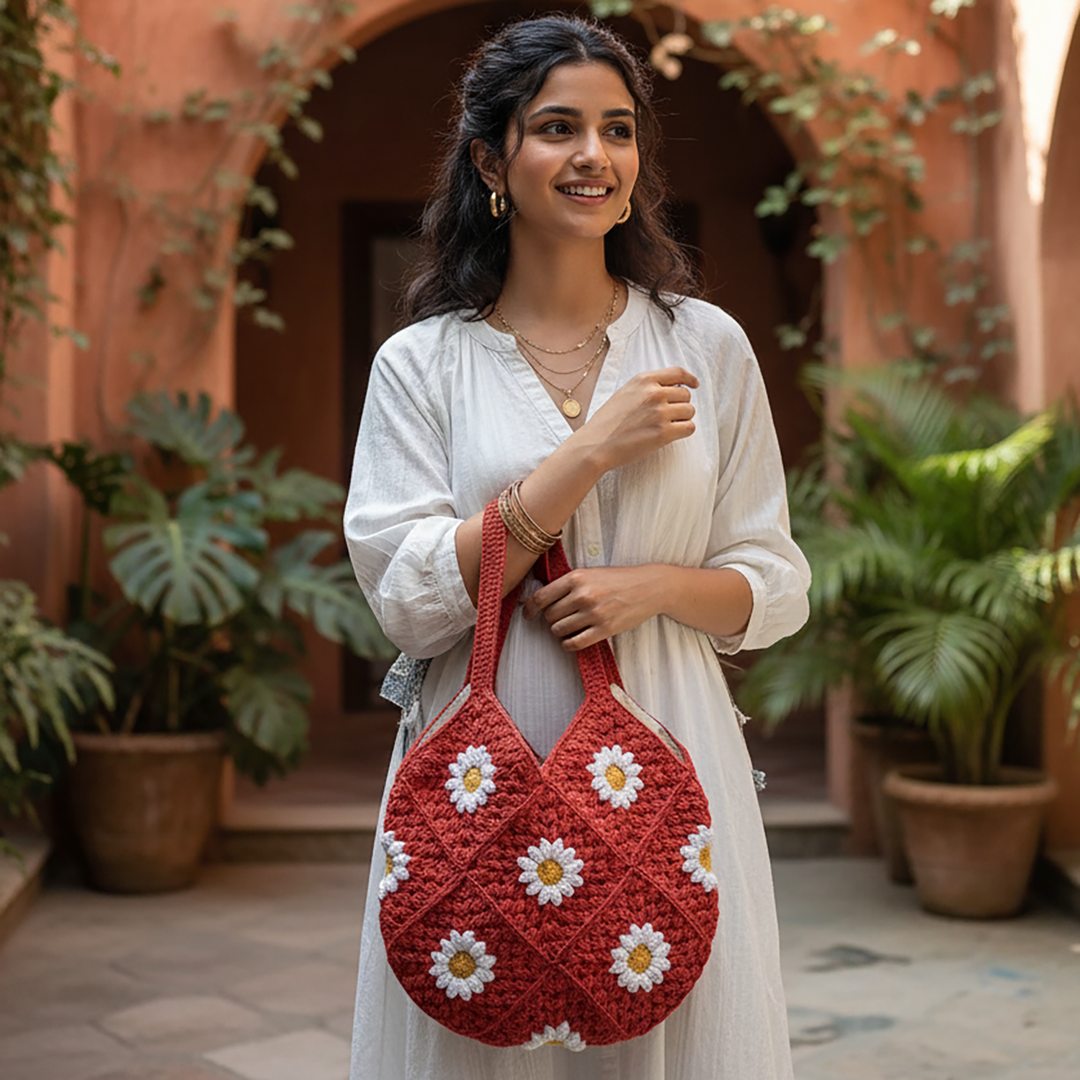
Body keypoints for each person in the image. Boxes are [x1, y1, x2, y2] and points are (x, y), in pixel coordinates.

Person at [344, 14, 811, 1080]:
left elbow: (775, 583)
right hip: (479, 768)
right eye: (557, 127)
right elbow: (408, 598)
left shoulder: (704, 345)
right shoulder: (422, 365)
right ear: (490, 161)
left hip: (673, 744)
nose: (593, 155)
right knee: (481, 1024)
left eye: (618, 129)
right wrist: (589, 453)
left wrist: (656, 586)